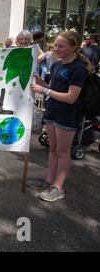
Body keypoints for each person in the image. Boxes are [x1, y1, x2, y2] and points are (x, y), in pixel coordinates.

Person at [29, 31, 93, 202]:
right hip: (53, 110)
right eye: (56, 45)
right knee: (53, 148)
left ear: (74, 47)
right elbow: (55, 87)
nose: (56, 49)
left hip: (68, 114)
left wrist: (45, 90)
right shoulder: (57, 65)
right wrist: (42, 82)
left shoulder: (78, 68)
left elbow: (71, 97)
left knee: (63, 151)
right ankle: (49, 181)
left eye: (61, 46)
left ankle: (59, 186)